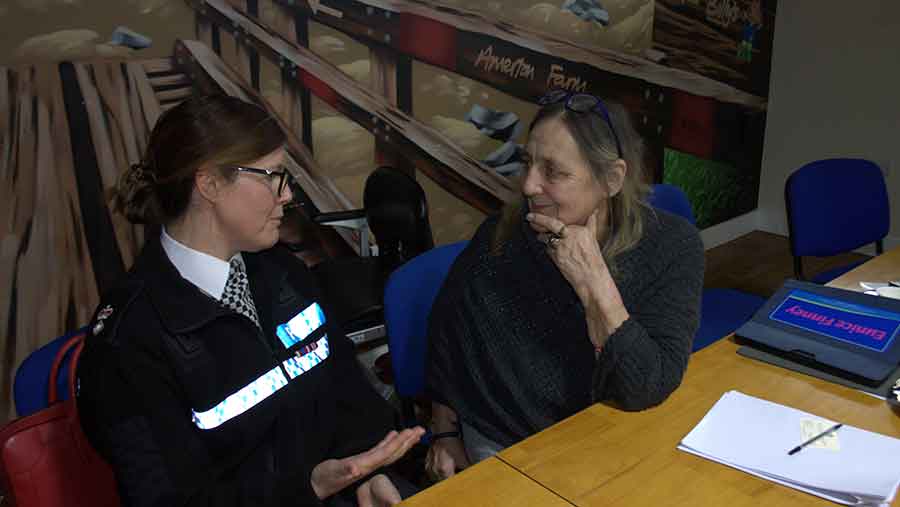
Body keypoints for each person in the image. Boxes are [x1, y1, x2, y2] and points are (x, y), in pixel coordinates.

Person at [76, 94, 424, 507]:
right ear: (209, 183)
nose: (287, 195)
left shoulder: (280, 270)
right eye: (273, 175)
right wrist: (307, 488)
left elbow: (341, 382)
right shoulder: (128, 345)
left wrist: (369, 472)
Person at [424, 90, 704, 480]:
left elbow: (647, 386)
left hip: (613, 428)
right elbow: (448, 337)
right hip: (506, 438)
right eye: (528, 164)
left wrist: (595, 284)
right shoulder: (503, 238)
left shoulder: (673, 247)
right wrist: (445, 431)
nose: (528, 186)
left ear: (611, 179)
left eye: (553, 172)